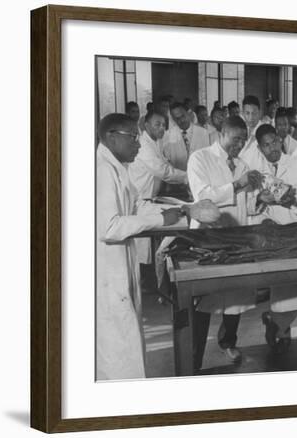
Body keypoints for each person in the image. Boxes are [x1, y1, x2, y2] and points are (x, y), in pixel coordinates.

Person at [96, 113, 183, 380]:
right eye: (132, 138)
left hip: (121, 268)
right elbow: (109, 227)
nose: (138, 144)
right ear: (111, 137)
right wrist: (159, 218)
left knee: (126, 344)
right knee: (117, 350)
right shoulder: (101, 170)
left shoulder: (116, 167)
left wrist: (177, 210)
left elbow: (135, 206)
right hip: (108, 275)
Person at [187, 116, 263, 370]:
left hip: (236, 237)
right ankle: (194, 356)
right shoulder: (200, 158)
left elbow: (247, 204)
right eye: (235, 139)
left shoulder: (242, 164)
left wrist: (262, 196)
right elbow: (203, 198)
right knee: (202, 299)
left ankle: (228, 341)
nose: (239, 145)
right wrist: (237, 184)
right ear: (222, 134)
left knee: (236, 294)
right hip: (208, 238)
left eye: (243, 140)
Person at [242, 124, 297, 353]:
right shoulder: (252, 170)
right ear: (259, 147)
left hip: (296, 229)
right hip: (272, 233)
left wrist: (292, 198)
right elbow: (245, 206)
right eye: (267, 145)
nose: (273, 148)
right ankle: (281, 327)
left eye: (275, 141)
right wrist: (261, 200)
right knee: (280, 285)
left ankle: (276, 323)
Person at [128, 110, 189, 263]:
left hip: (150, 197)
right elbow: (162, 170)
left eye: (164, 125)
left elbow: (165, 163)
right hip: (140, 198)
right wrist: (187, 177)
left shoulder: (156, 141)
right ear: (146, 125)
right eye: (157, 124)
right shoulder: (143, 145)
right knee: (141, 251)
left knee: (150, 247)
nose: (162, 128)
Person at [163, 101, 210, 171]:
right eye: (177, 118)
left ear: (188, 113)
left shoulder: (203, 133)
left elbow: (206, 157)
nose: (181, 120)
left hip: (198, 176)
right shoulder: (167, 135)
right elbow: (167, 160)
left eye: (183, 116)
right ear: (173, 119)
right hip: (178, 178)